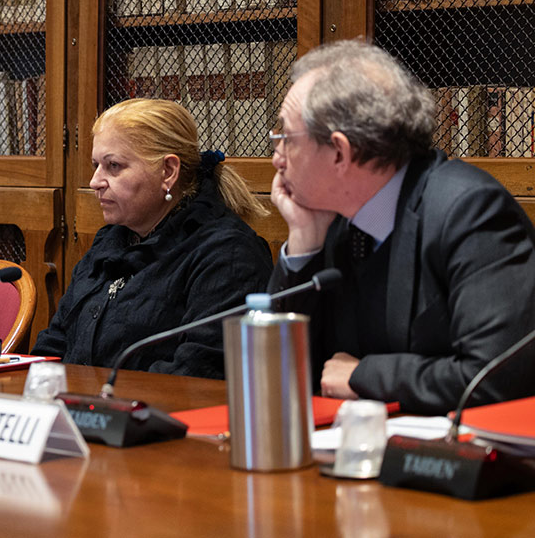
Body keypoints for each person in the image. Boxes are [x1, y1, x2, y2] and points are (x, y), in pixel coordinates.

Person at [269, 39, 535, 414]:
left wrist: (365, 376)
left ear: (340, 152)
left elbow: (496, 378)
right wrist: (303, 241)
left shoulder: (469, 211)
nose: (277, 157)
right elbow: (276, 374)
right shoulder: (333, 219)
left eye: (285, 138)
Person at [31, 99, 272, 377]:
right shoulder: (110, 240)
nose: (95, 181)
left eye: (113, 166)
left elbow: (197, 375)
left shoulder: (228, 254)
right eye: (96, 165)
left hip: (150, 405)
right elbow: (54, 342)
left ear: (168, 171)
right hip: (78, 401)